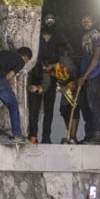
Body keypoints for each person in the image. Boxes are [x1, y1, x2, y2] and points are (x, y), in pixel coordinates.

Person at [28, 11, 70, 144]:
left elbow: (67, 55)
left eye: (52, 19)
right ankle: (32, 136)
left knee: (49, 110)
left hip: (51, 77)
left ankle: (46, 137)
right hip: (35, 75)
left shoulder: (60, 37)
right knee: (33, 109)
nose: (49, 21)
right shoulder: (35, 35)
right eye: (47, 19)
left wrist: (55, 66)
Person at [77, 14, 100, 144]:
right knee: (85, 107)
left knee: (94, 105)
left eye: (88, 20)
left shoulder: (96, 35)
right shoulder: (83, 36)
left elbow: (96, 57)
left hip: (93, 74)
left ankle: (98, 135)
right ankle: (89, 135)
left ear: (93, 21)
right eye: (83, 20)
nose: (85, 22)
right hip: (84, 76)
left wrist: (85, 75)